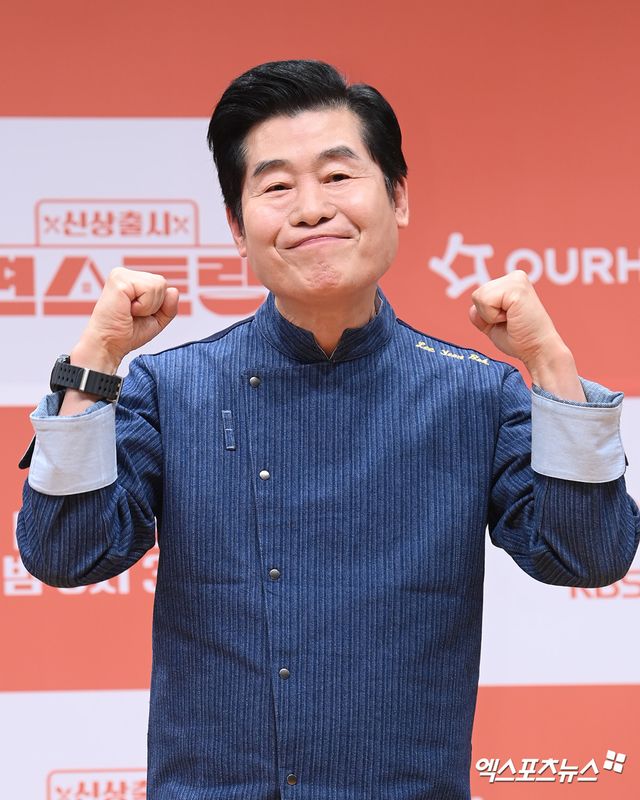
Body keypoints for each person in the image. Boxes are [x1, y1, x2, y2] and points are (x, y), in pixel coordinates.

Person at [17, 60, 640, 800]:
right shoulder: (172, 387)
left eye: (339, 177)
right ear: (237, 229)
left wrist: (550, 365)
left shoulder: (476, 393)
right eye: (277, 186)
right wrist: (95, 361)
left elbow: (588, 555)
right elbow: (65, 552)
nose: (311, 209)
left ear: (398, 198)